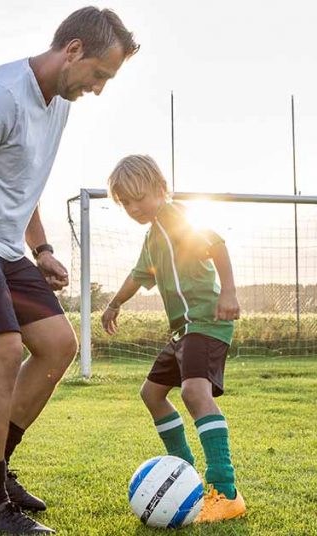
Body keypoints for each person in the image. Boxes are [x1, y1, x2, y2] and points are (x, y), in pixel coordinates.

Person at [0, 6, 138, 534]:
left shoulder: (58, 100)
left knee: (60, 345)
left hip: (6, 244)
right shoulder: (3, 96)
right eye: (100, 75)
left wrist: (40, 249)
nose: (100, 89)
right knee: (3, 352)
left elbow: (23, 184)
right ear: (74, 50)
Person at [100, 155, 246, 523]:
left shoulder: (175, 218)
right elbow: (138, 275)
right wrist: (115, 303)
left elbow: (218, 245)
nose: (134, 208)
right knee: (151, 394)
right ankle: (185, 472)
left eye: (140, 197)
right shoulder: (153, 236)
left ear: (161, 189)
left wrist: (228, 292)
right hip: (182, 329)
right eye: (126, 202)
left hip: (206, 321)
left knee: (194, 392)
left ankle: (225, 491)